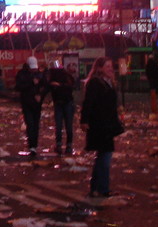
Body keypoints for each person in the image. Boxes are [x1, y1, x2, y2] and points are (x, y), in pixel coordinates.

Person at [80, 57, 122, 198]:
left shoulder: (108, 82)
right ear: (99, 69)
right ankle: (102, 189)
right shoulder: (95, 83)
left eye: (111, 65)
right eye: (107, 66)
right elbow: (88, 103)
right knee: (105, 156)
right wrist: (84, 120)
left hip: (107, 124)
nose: (111, 68)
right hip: (100, 125)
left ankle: (96, 188)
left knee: (102, 156)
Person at [15, 57, 45, 155]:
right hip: (27, 103)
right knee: (30, 124)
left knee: (35, 125)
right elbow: (19, 87)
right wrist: (31, 83)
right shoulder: (22, 75)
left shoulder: (39, 74)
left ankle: (34, 146)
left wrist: (40, 95)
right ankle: (32, 145)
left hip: (36, 104)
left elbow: (44, 86)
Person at [48, 60, 76, 154]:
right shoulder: (62, 76)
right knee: (64, 125)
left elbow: (70, 87)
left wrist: (59, 86)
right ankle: (65, 145)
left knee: (63, 125)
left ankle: (64, 144)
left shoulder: (63, 77)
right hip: (62, 103)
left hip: (64, 103)